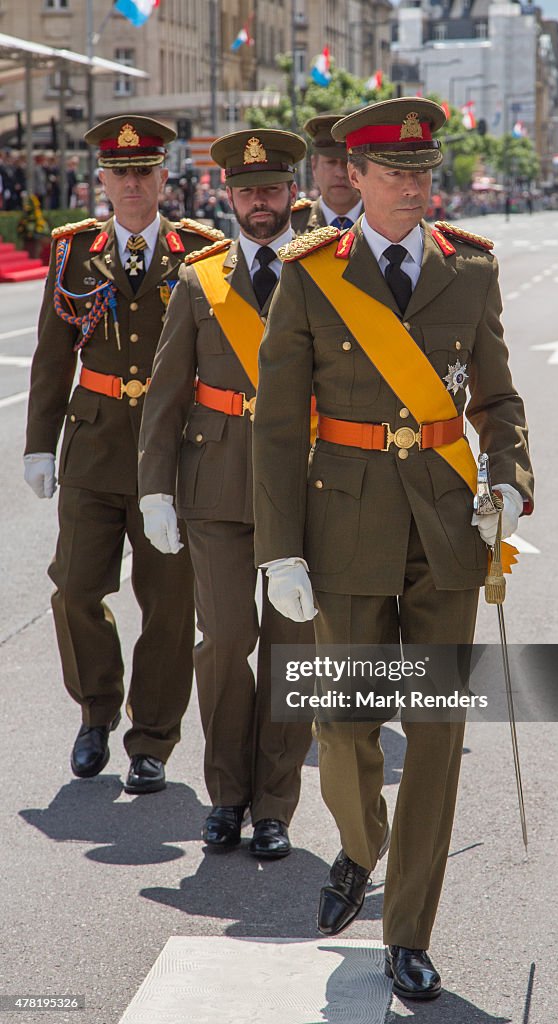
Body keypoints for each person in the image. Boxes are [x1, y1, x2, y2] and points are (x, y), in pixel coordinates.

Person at [252, 97, 534, 999]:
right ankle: (360, 846)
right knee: (340, 724)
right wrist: (278, 548)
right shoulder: (312, 274)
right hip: (344, 524)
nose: (415, 186)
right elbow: (274, 427)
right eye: (395, 173)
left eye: (423, 172)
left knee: (439, 733)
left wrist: (510, 480)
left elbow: (497, 401)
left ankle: (408, 929)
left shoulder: (471, 271)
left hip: (447, 530)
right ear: (355, 177)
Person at [23, 115, 224, 794]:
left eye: (145, 171)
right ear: (102, 180)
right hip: (95, 442)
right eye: (120, 172)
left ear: (164, 177)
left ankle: (152, 741)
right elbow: (52, 358)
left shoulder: (201, 250)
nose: (133, 184)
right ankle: (96, 709)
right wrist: (38, 445)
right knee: (76, 587)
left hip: (172, 454)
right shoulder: (73, 250)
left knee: (169, 603)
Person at [138, 129, 314, 858]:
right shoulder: (198, 278)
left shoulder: (325, 272)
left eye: (270, 189)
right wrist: (154, 488)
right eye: (245, 192)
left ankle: (274, 804)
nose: (259, 202)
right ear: (227, 197)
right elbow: (166, 391)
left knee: (290, 650)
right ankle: (226, 796)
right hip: (213, 488)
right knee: (226, 643)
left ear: (290, 192)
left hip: (303, 488)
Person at [291, 113, 363, 233]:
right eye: (331, 162)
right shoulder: (292, 226)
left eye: (347, 163)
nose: (340, 173)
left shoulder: (385, 223)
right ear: (314, 165)